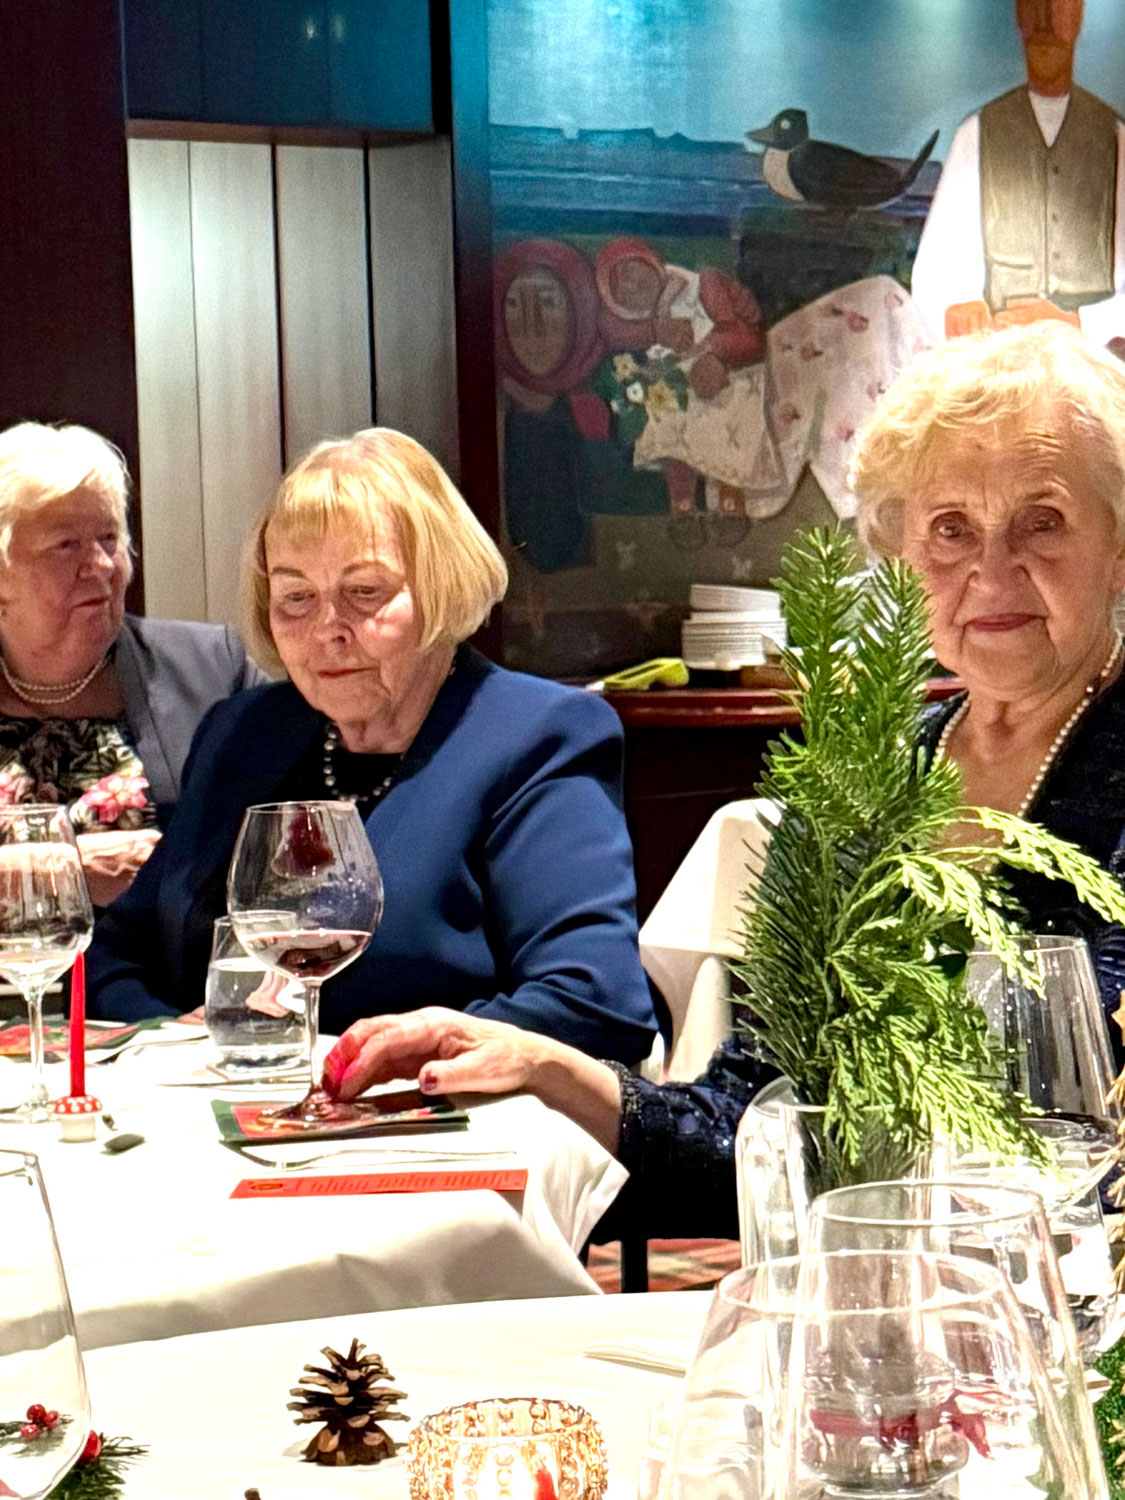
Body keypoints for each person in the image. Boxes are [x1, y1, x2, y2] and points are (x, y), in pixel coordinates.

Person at [320, 322, 1125, 1240]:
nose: (989, 569)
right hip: (883, 1285)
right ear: (904, 556)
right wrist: (546, 1067)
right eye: (950, 529)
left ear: (1118, 545)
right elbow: (745, 1133)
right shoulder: (854, 786)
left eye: (1042, 520)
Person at [85, 427, 658, 1062]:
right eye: (296, 596)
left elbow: (594, 1004)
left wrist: (370, 1057)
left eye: (364, 592)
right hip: (218, 1105)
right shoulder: (243, 733)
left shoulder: (537, 735)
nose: (327, 629)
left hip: (433, 1113)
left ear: (440, 587)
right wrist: (178, 1042)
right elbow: (115, 956)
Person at [0, 421, 265, 906]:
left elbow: (288, 834)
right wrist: (64, 869)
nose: (101, 565)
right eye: (66, 544)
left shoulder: (213, 670)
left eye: (109, 538)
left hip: (165, 957)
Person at [911, 0, 1125, 347]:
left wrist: (1079, 321)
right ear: (1019, 15)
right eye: (1034, 5)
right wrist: (956, 307)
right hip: (1000, 351)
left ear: (1079, 15)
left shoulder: (1117, 138)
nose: (1045, 21)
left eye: (1059, 5)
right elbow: (935, 271)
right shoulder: (976, 133)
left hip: (1097, 358)